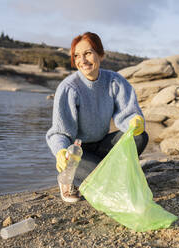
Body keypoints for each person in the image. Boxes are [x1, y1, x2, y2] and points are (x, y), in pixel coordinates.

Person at [46, 32, 149, 203]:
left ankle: (102, 175)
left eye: (88, 53)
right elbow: (59, 132)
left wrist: (134, 121)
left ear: (100, 54)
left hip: (103, 146)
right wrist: (60, 150)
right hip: (77, 153)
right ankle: (68, 179)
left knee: (139, 137)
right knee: (105, 182)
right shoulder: (69, 88)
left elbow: (127, 113)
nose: (83, 60)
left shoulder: (114, 81)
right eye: (77, 56)